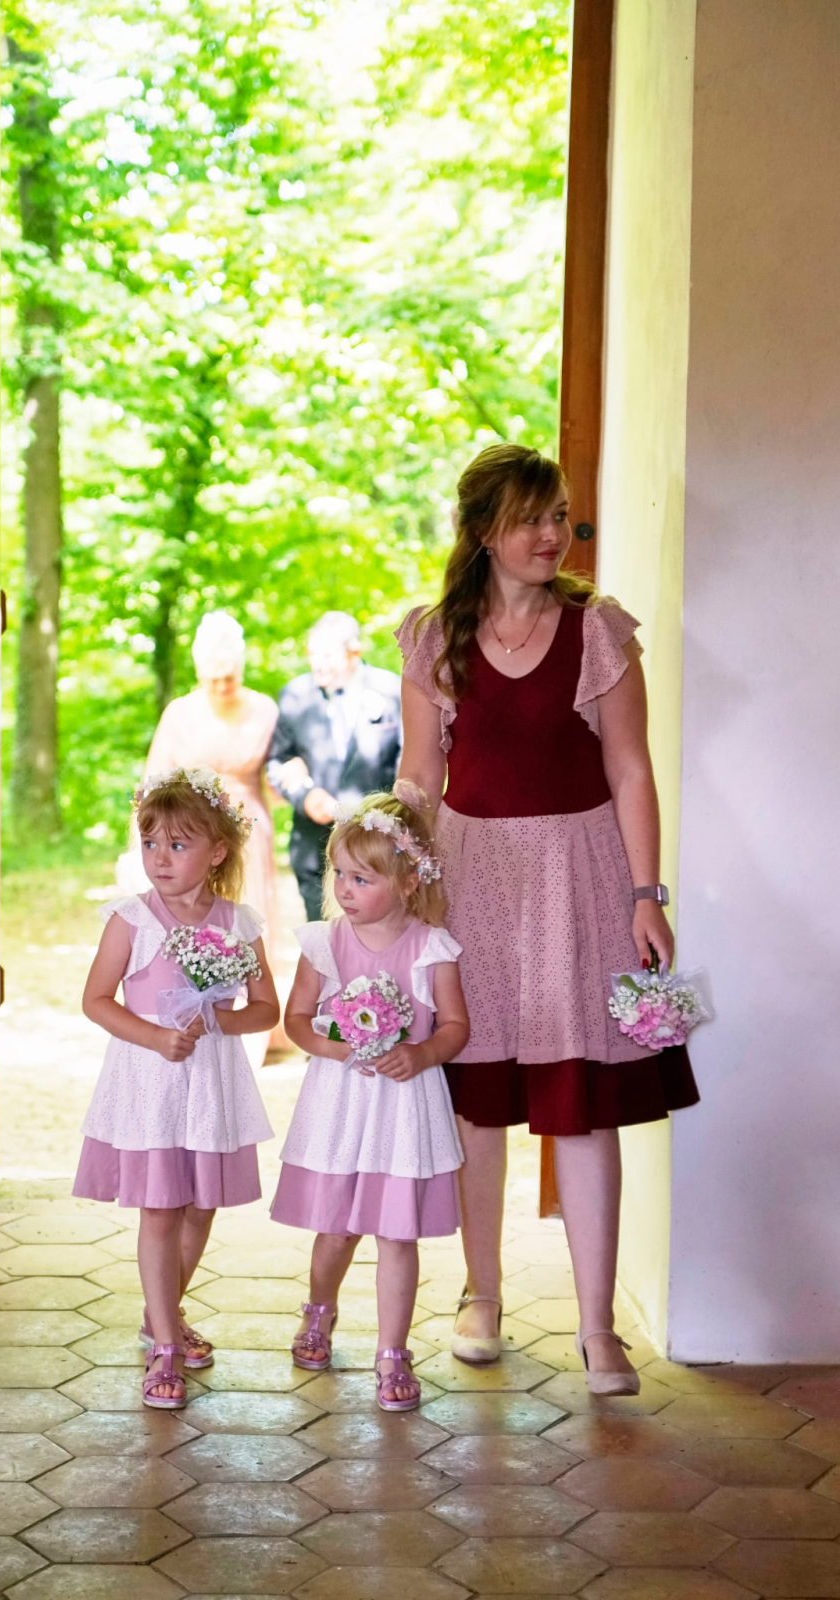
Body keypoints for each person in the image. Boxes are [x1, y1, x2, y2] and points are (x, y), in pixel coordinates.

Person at [395, 442, 699, 1397]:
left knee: (583, 1107)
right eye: (530, 517)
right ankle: (481, 1297)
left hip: (581, 877)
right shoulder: (433, 638)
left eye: (559, 514)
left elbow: (630, 769)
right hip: (471, 879)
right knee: (478, 1104)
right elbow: (420, 775)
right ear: (485, 530)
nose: (551, 533)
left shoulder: (596, 630)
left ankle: (598, 1330)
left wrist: (646, 895)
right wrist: (395, 875)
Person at [74, 768, 279, 1409]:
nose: (159, 858)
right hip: (150, 1078)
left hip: (210, 1083)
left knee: (200, 1207)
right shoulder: (131, 920)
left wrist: (218, 1019)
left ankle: (160, 1311)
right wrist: (156, 1036)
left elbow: (266, 1009)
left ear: (217, 851)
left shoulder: (238, 922)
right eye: (150, 843)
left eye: (178, 844)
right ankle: (164, 1344)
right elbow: (96, 1000)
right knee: (161, 1208)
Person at [271, 793, 469, 1412]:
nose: (345, 889)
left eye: (362, 878)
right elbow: (296, 1020)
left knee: (396, 1234)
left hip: (403, 1108)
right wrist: (332, 1046)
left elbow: (455, 1027)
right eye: (340, 874)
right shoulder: (325, 943)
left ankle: (392, 1351)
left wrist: (423, 1053)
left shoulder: (432, 947)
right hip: (341, 1103)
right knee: (335, 1229)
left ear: (408, 882)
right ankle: (318, 1311)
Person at [118, 612, 280, 972]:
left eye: (229, 678)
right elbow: (153, 783)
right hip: (187, 830)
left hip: (248, 827)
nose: (221, 686)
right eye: (213, 679)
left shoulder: (265, 710)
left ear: (242, 669)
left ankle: (251, 995)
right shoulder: (179, 713)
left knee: (246, 915)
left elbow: (279, 773)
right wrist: (140, 844)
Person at [267, 612, 402, 921]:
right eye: (312, 654)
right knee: (322, 941)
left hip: (377, 848)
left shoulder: (391, 690)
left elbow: (407, 763)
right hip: (314, 848)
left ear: (354, 653)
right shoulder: (294, 694)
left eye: (327, 655)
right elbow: (278, 761)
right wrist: (305, 796)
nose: (318, 664)